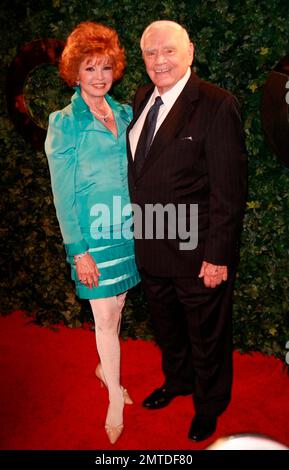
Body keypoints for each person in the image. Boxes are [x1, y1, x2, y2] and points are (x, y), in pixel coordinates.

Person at [127, 20, 247, 442]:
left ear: (190, 52)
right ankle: (178, 381)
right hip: (151, 245)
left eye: (169, 51)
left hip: (197, 253)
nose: (160, 60)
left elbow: (228, 191)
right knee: (167, 326)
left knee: (206, 332)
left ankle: (210, 404)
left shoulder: (216, 104)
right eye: (150, 53)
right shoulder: (143, 98)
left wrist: (217, 255)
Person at [45, 22, 140, 445]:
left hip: (127, 230)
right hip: (93, 238)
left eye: (105, 67)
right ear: (75, 73)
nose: (99, 76)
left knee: (117, 307)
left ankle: (105, 368)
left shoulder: (124, 113)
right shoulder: (64, 123)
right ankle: (114, 400)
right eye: (89, 69)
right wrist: (78, 251)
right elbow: (61, 194)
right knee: (104, 318)